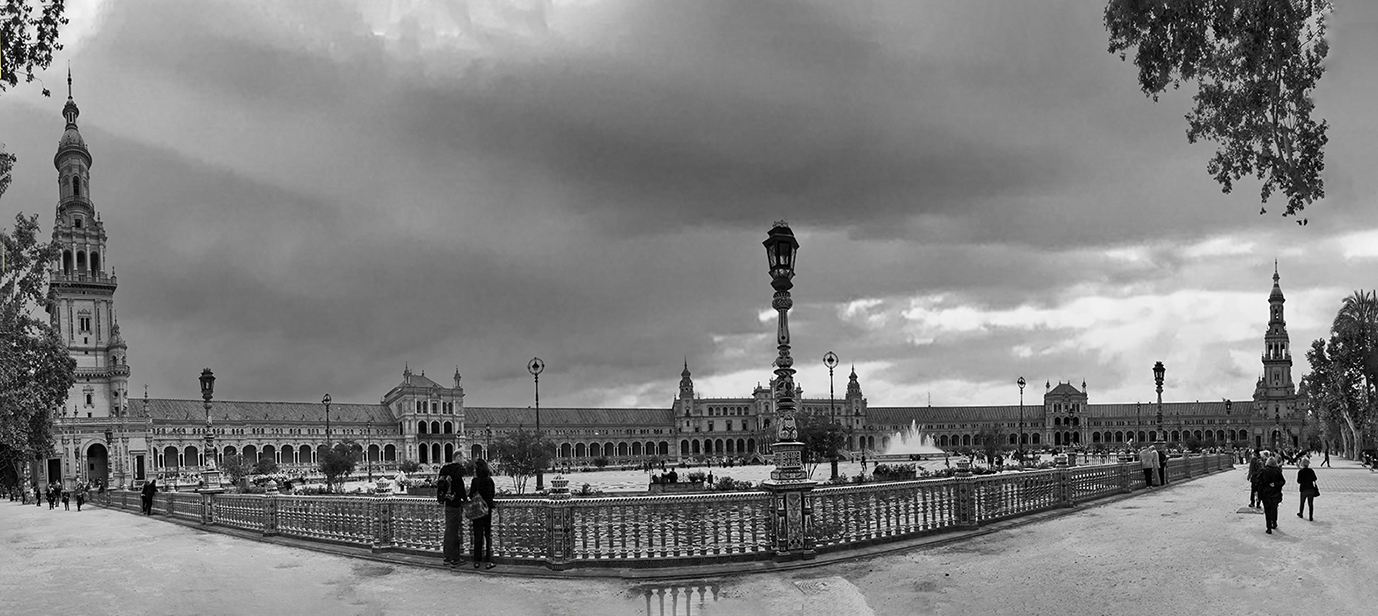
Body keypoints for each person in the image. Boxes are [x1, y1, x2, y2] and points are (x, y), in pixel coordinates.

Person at [436, 461, 468, 568]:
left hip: (447, 504)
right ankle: (455, 559)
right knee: (454, 533)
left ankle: (447, 557)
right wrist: (465, 498)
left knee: (448, 531)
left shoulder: (445, 474)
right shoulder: (456, 477)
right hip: (455, 505)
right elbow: (461, 492)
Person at [469, 458, 497, 570]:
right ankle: (488, 561)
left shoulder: (475, 481)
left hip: (477, 510)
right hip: (487, 510)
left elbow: (471, 495)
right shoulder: (489, 480)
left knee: (477, 535)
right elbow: (492, 494)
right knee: (488, 534)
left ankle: (477, 560)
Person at [1254, 455, 1286, 534]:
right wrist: (1275, 484)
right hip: (1275, 493)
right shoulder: (1278, 471)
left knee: (1267, 511)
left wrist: (1257, 492)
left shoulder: (1263, 471)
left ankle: (1268, 527)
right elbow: (1283, 481)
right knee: (1274, 509)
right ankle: (1274, 523)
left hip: (1266, 494)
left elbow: (1258, 483)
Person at [1296, 457, 1318, 521]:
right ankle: (1310, 516)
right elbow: (1315, 479)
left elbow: (1298, 481)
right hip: (1311, 488)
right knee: (1310, 503)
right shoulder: (1311, 471)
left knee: (1302, 502)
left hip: (1303, 488)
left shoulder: (1301, 472)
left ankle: (1301, 513)